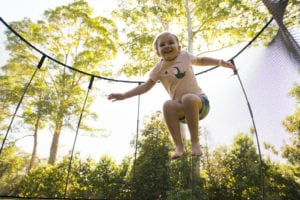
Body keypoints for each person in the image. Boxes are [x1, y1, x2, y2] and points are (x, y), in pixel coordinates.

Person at [108, 32, 234, 159]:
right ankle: (179, 146)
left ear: (179, 47)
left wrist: (219, 62)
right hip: (182, 113)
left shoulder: (184, 56)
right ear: (158, 53)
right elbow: (145, 86)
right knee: (167, 104)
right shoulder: (159, 69)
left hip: (200, 104)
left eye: (171, 43)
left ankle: (194, 142)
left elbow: (201, 60)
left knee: (188, 98)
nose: (167, 46)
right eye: (162, 45)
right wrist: (124, 95)